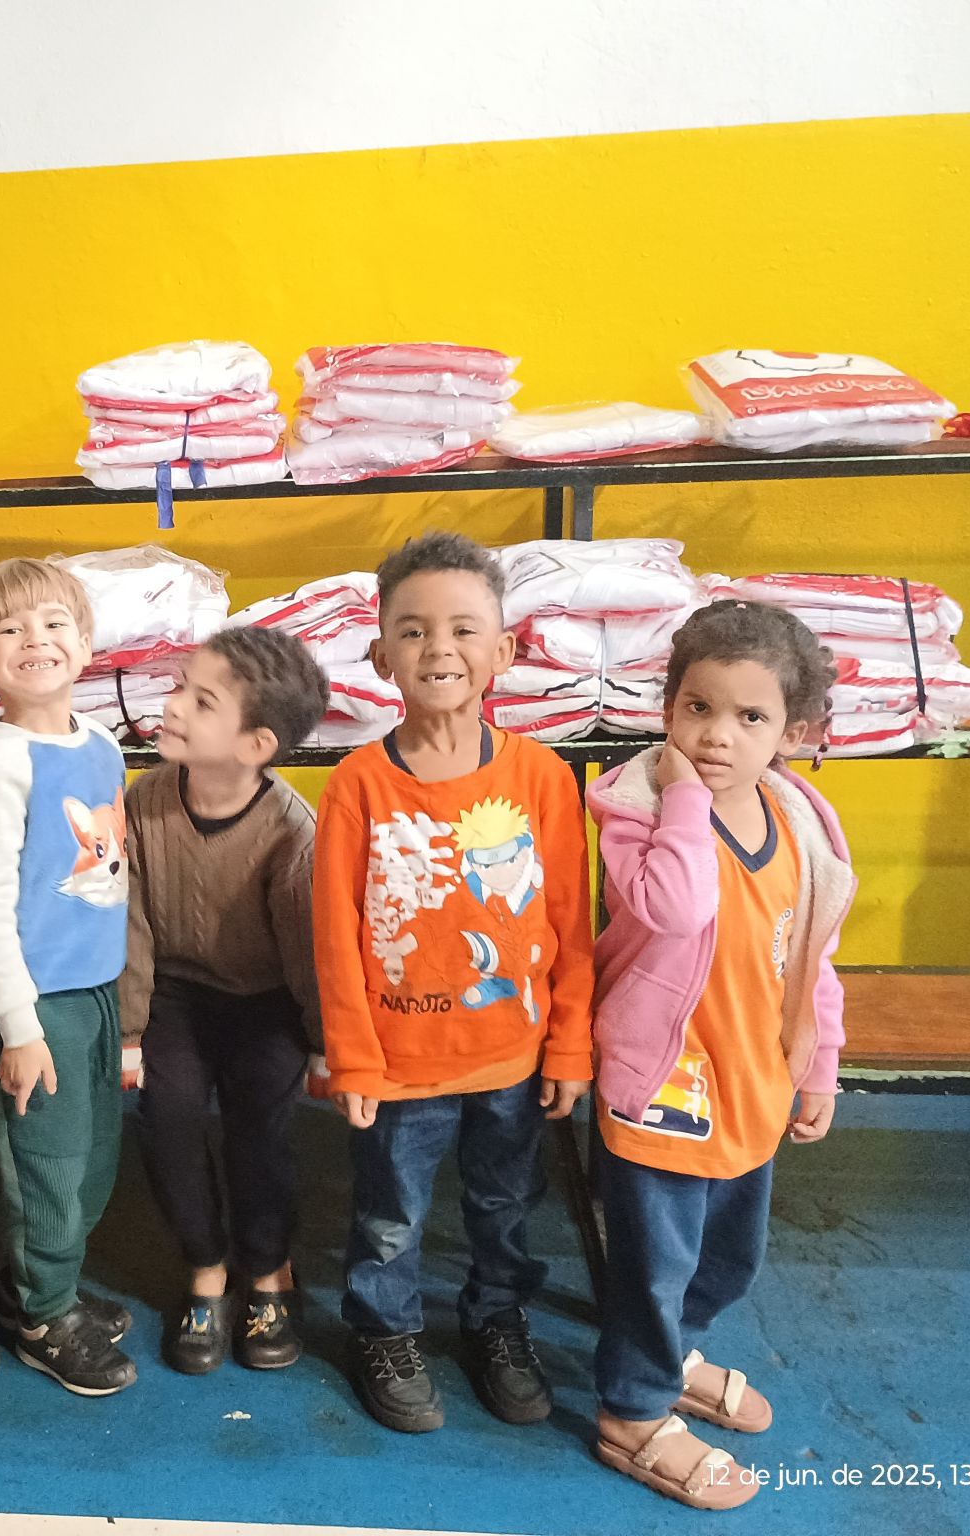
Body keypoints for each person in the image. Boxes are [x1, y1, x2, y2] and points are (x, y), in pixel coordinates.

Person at [314, 532, 592, 1434]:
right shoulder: (357, 786)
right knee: (390, 1217)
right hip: (400, 1068)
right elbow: (337, 940)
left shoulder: (543, 778)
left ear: (503, 650)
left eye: (464, 629)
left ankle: (495, 1320)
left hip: (513, 1058)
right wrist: (355, 1060)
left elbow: (570, 925)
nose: (439, 648)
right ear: (380, 655)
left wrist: (570, 1045)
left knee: (504, 1207)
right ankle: (385, 1330)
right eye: (413, 630)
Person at [589, 600, 854, 1512]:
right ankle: (632, 1408)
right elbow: (677, 907)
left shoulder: (797, 822)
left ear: (792, 733)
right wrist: (685, 798)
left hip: (753, 1080)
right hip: (664, 1084)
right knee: (653, 1263)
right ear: (668, 709)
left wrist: (818, 1062)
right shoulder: (636, 809)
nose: (716, 735)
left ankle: (671, 1351)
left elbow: (811, 956)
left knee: (729, 1257)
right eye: (697, 708)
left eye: (750, 717)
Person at [0, 557, 136, 1397]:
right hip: (34, 1005)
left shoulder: (100, 743)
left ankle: (44, 1283)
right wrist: (18, 1027)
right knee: (44, 1165)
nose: (36, 639)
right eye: (11, 629)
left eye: (55, 622)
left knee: (92, 1157)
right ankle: (42, 1316)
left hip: (95, 990)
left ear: (87, 643)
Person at [120, 627, 328, 1374]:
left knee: (260, 1132)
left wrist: (322, 1043)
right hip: (176, 995)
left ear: (254, 745)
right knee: (169, 1117)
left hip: (266, 1001)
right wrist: (131, 1032)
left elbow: (308, 952)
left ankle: (268, 1270)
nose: (174, 704)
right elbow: (131, 924)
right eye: (181, 686)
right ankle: (206, 1267)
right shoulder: (143, 802)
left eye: (202, 701)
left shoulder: (291, 830)